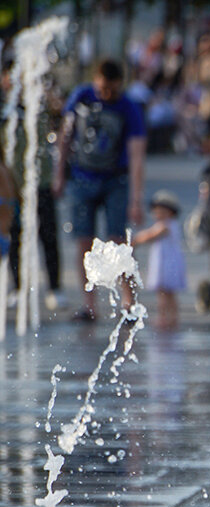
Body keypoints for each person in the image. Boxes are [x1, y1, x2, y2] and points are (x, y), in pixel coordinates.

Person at [55, 57, 147, 320]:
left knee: (119, 242)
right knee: (84, 242)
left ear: (120, 84)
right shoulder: (81, 96)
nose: (106, 94)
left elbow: (137, 155)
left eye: (112, 90)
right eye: (103, 88)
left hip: (115, 181)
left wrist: (136, 200)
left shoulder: (128, 106)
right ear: (96, 79)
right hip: (82, 179)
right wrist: (59, 175)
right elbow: (65, 136)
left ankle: (129, 304)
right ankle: (89, 306)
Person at [1, 60, 64, 309]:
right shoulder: (4, 108)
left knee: (48, 234)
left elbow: (61, 113)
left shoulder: (39, 103)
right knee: (15, 235)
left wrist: (41, 87)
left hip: (42, 180)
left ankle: (55, 288)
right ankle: (18, 287)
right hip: (12, 185)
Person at [131, 190, 186, 329]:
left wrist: (135, 240)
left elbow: (150, 235)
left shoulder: (165, 225)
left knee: (165, 293)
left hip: (167, 264)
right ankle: (169, 317)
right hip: (165, 262)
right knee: (166, 293)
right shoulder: (168, 225)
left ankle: (167, 317)